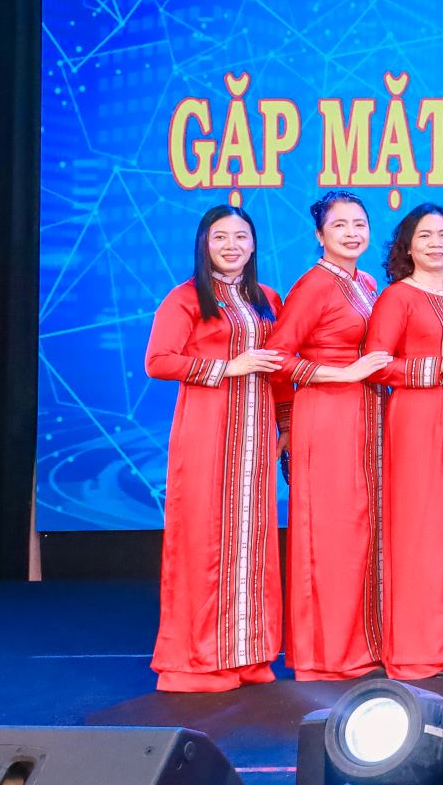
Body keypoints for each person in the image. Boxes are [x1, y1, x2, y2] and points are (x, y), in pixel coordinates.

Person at [145, 204, 289, 692]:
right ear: (204, 244)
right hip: (207, 435)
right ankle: (196, 662)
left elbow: (279, 366)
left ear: (254, 244)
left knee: (252, 541)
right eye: (220, 237)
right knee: (204, 540)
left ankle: (247, 655)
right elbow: (158, 361)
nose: (232, 245)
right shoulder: (186, 298)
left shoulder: (266, 298)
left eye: (241, 236)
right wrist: (227, 366)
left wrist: (286, 424)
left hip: (257, 440)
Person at [268, 191, 393, 682]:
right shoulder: (314, 285)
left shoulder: (365, 282)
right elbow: (278, 357)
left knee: (361, 528)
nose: (352, 233)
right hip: (327, 415)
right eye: (339, 225)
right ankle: (325, 654)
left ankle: (360, 644)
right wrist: (341, 373)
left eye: (359, 224)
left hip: (365, 414)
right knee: (333, 532)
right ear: (320, 235)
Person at [366, 203, 443, 681]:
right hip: (418, 421)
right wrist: (442, 366)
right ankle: (419, 647)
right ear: (407, 246)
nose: (436, 244)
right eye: (425, 235)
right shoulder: (398, 297)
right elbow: (377, 365)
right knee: (422, 528)